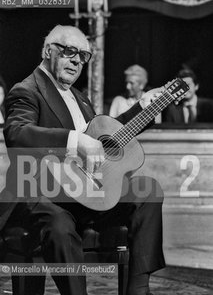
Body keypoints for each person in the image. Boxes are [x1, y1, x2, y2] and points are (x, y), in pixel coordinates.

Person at [2, 25, 165, 295]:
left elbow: (103, 137)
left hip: (86, 194)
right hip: (44, 194)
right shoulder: (26, 91)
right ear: (47, 51)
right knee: (59, 225)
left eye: (84, 56)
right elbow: (18, 134)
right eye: (69, 52)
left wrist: (142, 108)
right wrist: (74, 141)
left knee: (147, 191)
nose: (77, 60)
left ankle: (138, 289)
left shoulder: (80, 98)